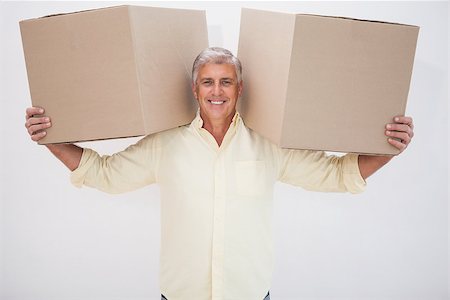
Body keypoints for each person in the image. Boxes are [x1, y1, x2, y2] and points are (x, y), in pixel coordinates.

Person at [25, 47, 414, 300]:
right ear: (195, 89)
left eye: (226, 81)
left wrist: (389, 151)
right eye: (208, 82)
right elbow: (104, 173)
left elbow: (335, 173)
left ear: (239, 88)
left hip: (249, 294)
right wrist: (51, 140)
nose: (217, 90)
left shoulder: (268, 143)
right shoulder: (167, 143)